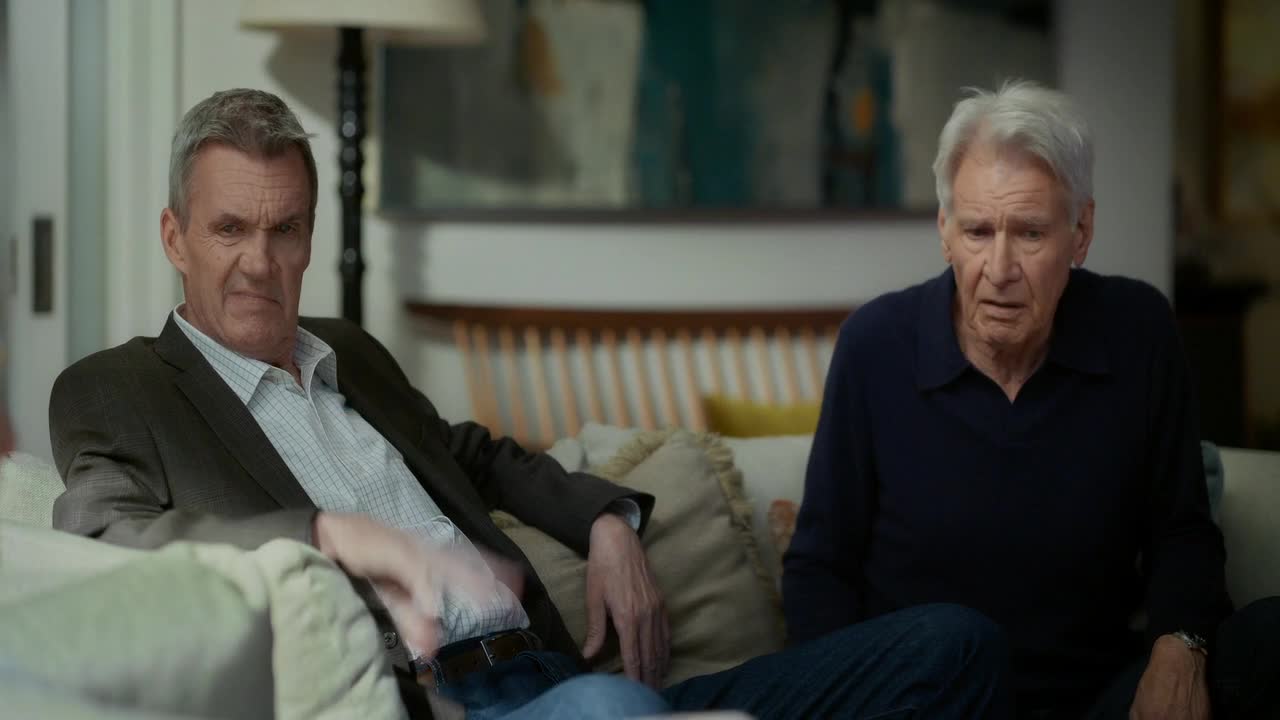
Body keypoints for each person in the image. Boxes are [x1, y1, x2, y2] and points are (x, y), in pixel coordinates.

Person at [49, 88, 1010, 720]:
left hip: (563, 678)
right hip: (440, 702)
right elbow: (105, 534)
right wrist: (327, 534)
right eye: (229, 229)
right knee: (615, 711)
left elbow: (473, 453)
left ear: (309, 234)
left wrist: (606, 521)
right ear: (174, 236)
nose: (261, 263)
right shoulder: (119, 390)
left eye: (286, 229)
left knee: (952, 644)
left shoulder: (350, 352)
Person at [783, 80, 1280, 720]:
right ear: (944, 232)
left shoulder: (1139, 330)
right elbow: (820, 568)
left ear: (1081, 232)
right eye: (977, 231)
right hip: (935, 703)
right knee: (955, 640)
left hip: (1097, 700)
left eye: (1030, 233)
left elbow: (1182, 531)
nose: (999, 269)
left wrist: (1180, 646)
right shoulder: (875, 345)